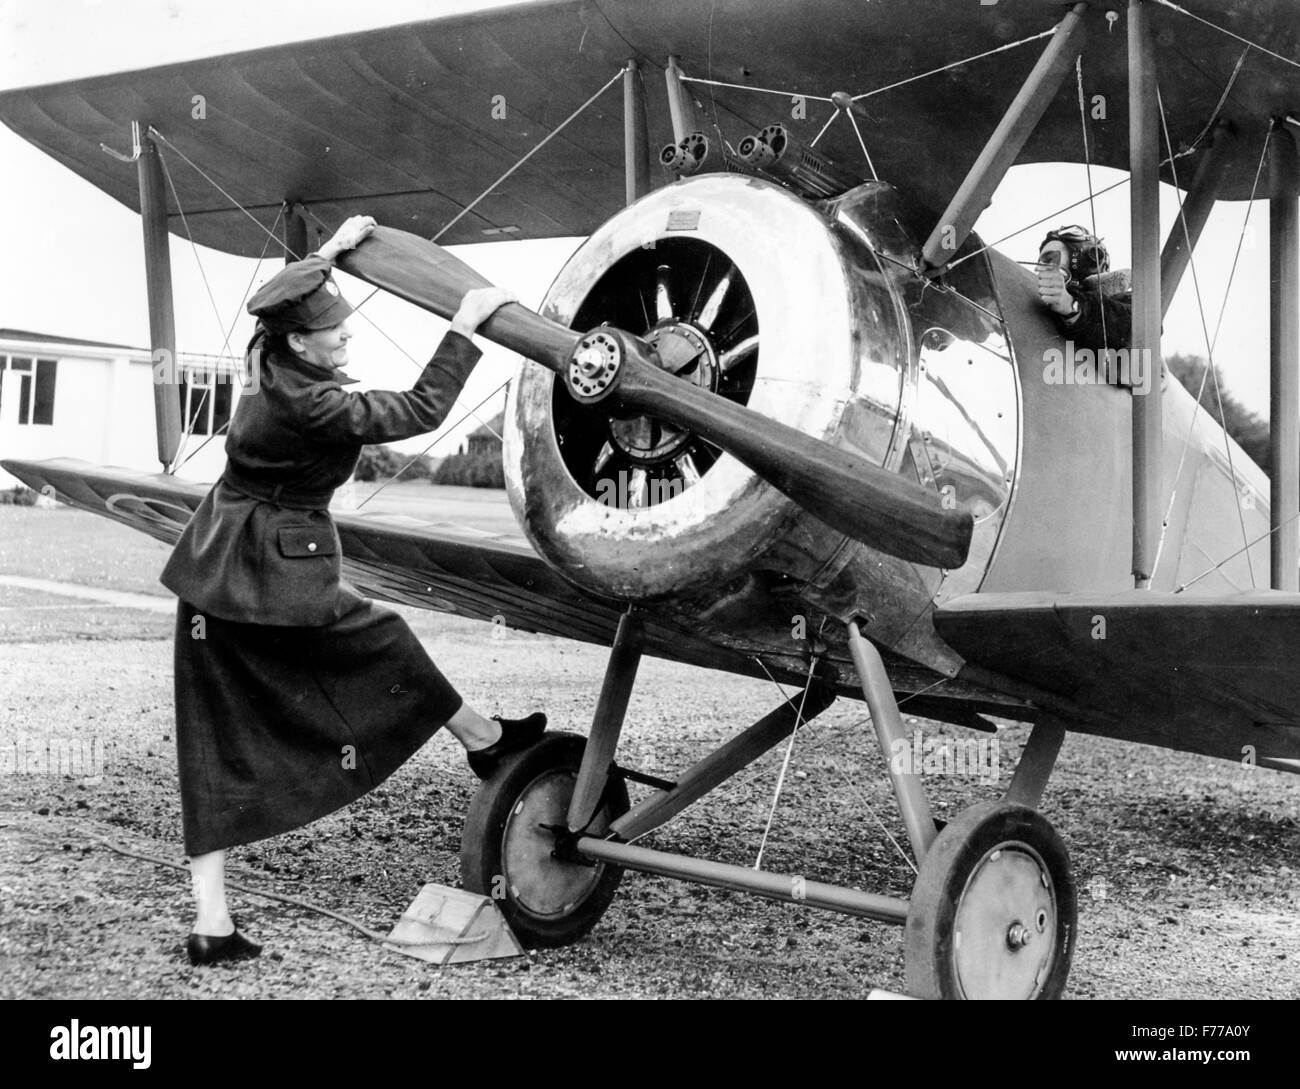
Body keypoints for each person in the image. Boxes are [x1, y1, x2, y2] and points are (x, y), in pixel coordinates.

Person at [159, 214, 544, 966]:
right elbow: (419, 410)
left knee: (210, 742)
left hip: (213, 565)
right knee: (385, 640)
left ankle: (211, 923)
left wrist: (326, 257)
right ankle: (486, 742)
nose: (346, 337)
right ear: (301, 345)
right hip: (270, 564)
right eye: (332, 332)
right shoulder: (314, 405)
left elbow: (288, 301)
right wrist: (464, 326)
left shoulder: (266, 357)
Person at [1035, 224, 1132, 353]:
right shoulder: (1044, 304)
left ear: (1080, 262)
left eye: (1050, 259)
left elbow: (1131, 325)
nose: (1039, 269)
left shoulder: (1128, 303)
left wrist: (1072, 306)